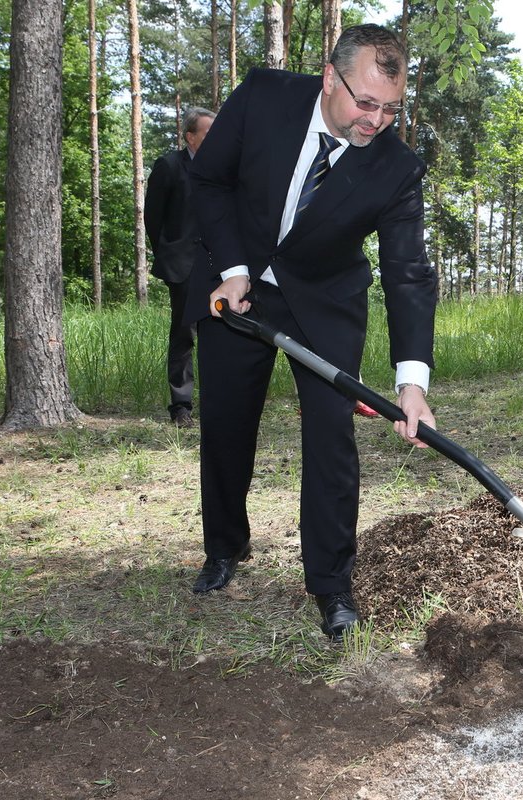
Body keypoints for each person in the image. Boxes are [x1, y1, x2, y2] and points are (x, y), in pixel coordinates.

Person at [185, 24, 438, 642]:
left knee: (330, 438)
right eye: (366, 103)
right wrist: (235, 269)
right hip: (233, 283)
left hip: (324, 301)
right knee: (226, 423)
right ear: (330, 77)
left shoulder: (397, 167)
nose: (376, 120)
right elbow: (210, 179)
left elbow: (408, 273)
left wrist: (411, 382)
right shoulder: (266, 96)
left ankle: (331, 583)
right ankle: (225, 547)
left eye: (391, 108)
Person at [144, 106, 215, 427]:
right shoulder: (169, 166)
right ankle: (181, 407)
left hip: (218, 267)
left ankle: (216, 401)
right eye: (208, 133)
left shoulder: (220, 168)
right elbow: (153, 218)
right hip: (183, 267)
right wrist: (169, 255)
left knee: (219, 338)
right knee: (184, 335)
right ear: (190, 136)